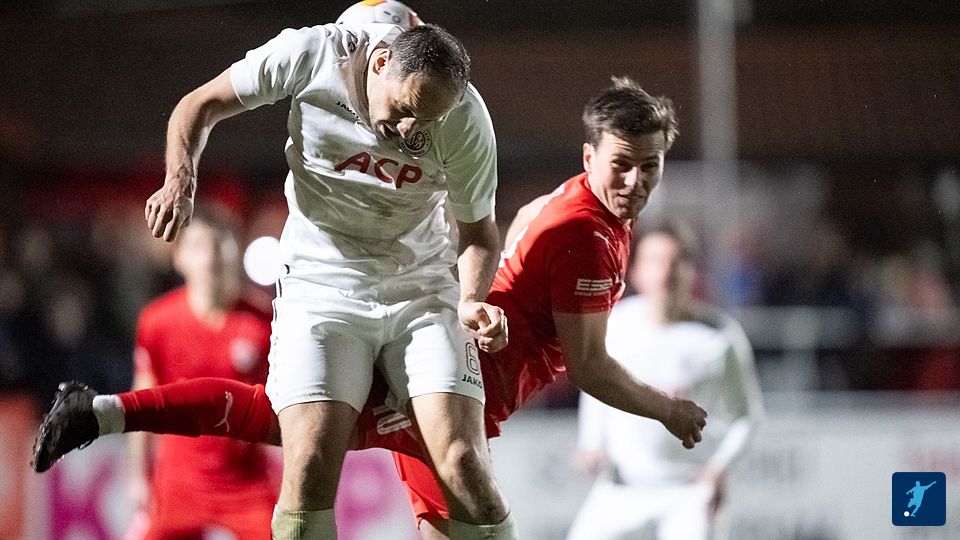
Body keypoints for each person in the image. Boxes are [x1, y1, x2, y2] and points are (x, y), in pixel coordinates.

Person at [33, 74, 709, 539]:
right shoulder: (588, 236)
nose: (635, 180)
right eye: (622, 163)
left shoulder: (576, 204)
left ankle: (101, 412)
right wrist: (668, 409)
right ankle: (101, 412)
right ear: (590, 154)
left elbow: (503, 264)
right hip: (444, 389)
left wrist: (472, 309)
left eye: (649, 166)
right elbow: (589, 368)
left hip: (444, 366)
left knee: (273, 418)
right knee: (455, 493)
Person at [134, 12, 514, 540]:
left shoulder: (465, 116)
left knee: (463, 461)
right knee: (310, 464)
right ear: (379, 62)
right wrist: (180, 180)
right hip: (321, 283)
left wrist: (471, 299)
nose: (411, 131)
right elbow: (198, 105)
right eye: (405, 110)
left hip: (420, 286)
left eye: (427, 121)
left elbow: (478, 234)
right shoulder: (310, 56)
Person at [566, 222, 764, 540]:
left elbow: (747, 416)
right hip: (621, 487)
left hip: (687, 491)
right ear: (636, 271)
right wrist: (590, 442)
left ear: (691, 273)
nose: (665, 273)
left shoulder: (719, 335)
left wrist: (718, 469)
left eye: (674, 262)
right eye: (655, 261)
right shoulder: (616, 325)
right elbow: (596, 386)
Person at [125, 208, 276, 539]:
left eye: (219, 245)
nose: (210, 257)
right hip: (179, 481)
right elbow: (142, 402)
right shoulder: (158, 322)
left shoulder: (264, 323)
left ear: (236, 251)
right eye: (198, 246)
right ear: (179, 258)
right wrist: (138, 476)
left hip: (244, 480)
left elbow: (282, 408)